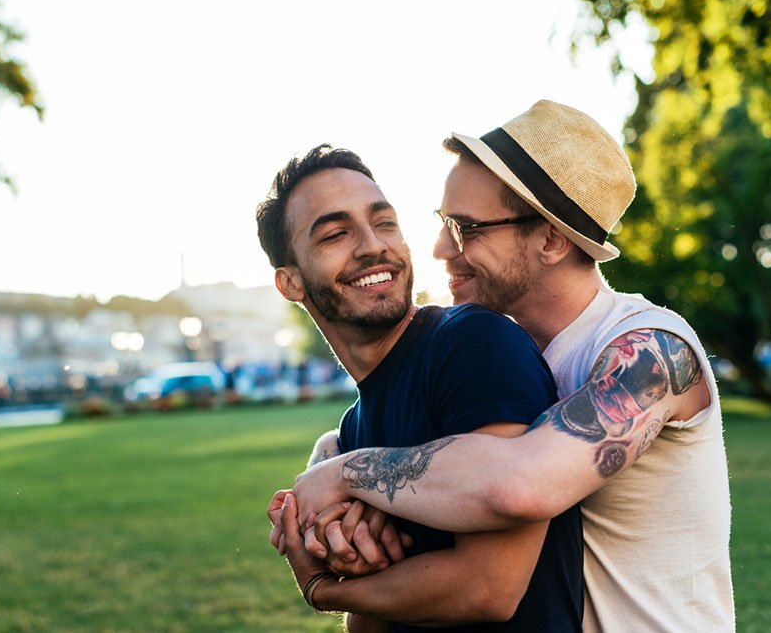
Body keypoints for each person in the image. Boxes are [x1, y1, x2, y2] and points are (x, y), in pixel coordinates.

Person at [290, 101, 736, 632]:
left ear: (550, 239)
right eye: (442, 224)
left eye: (467, 228)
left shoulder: (650, 350)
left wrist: (344, 473)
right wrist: (337, 452)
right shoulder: (499, 357)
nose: (438, 250)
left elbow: (520, 486)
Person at [257, 144, 583, 631]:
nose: (373, 246)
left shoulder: (474, 344)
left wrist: (325, 590)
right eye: (335, 234)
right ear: (290, 282)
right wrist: (347, 558)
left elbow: (489, 587)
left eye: (384, 222)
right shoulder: (354, 429)